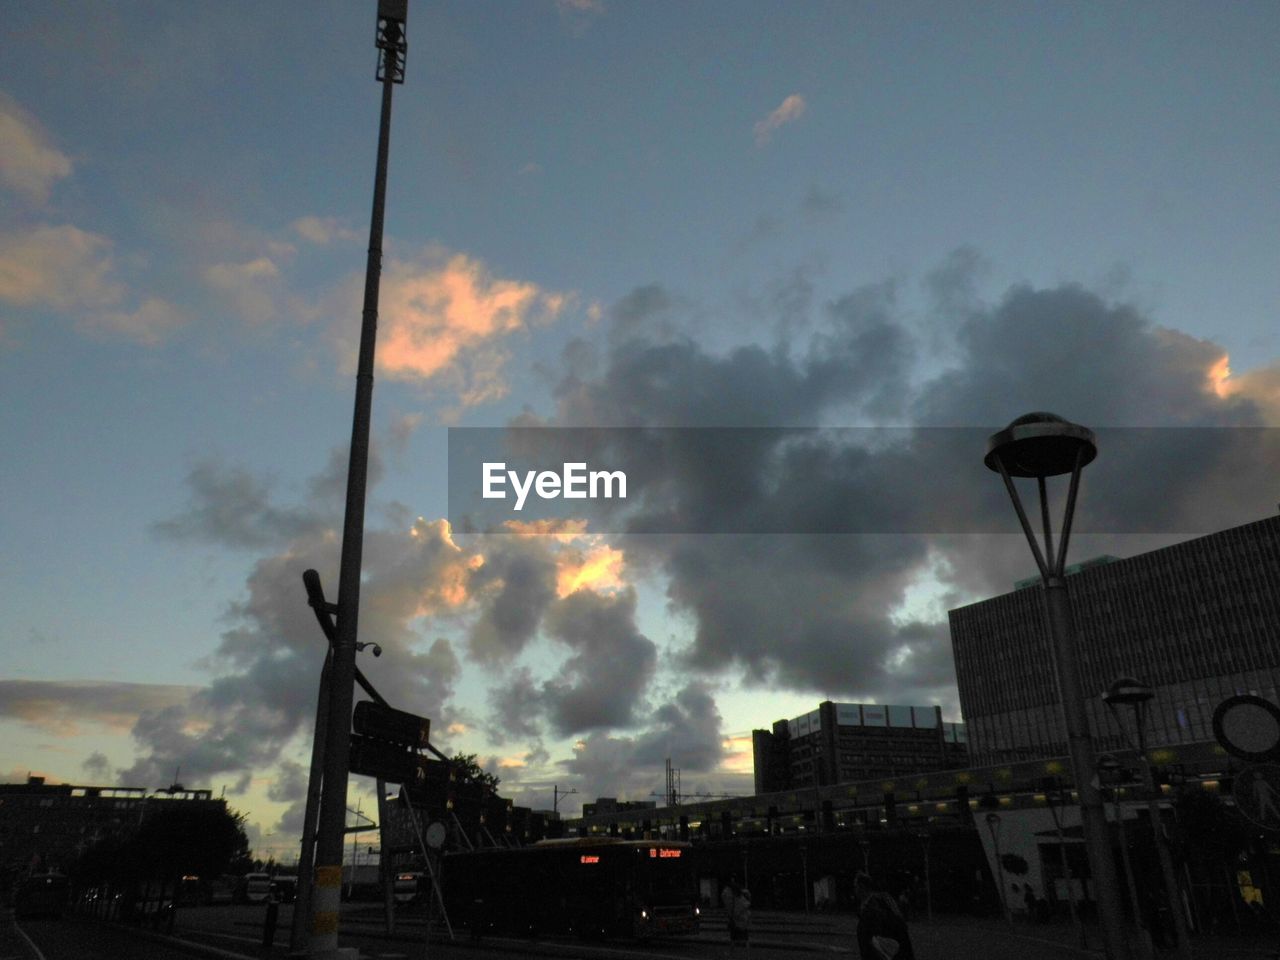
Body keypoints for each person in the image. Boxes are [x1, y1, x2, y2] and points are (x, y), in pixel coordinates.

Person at [855, 872, 915, 960]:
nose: (854, 889)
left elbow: (873, 940)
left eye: (855, 886)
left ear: (862, 887)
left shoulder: (874, 908)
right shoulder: (881, 903)